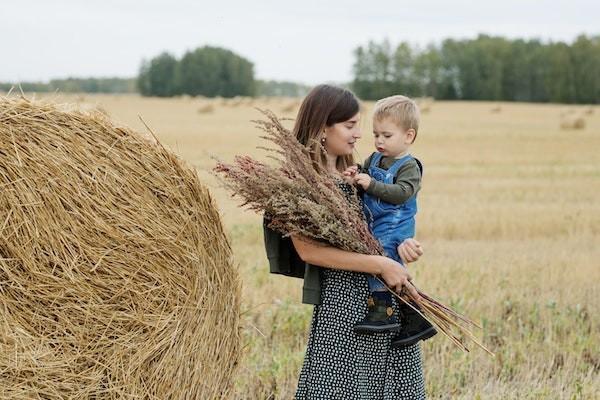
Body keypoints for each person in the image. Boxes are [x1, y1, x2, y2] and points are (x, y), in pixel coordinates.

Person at [263, 84, 427, 399]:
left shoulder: (356, 174)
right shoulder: (298, 183)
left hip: (384, 297)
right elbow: (308, 251)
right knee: (340, 388)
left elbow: (386, 220)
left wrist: (404, 245)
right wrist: (380, 263)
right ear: (324, 126)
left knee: (395, 388)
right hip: (343, 303)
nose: (359, 135)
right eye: (350, 125)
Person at [345, 95, 437, 347]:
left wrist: (372, 185)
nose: (379, 141)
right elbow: (364, 178)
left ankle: (382, 310)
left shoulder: (409, 167)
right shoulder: (374, 160)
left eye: (387, 135)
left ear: (408, 136)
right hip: (376, 222)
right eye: (376, 135)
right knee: (384, 262)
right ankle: (414, 316)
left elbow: (401, 194)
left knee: (383, 258)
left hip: (396, 226)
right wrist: (356, 174)